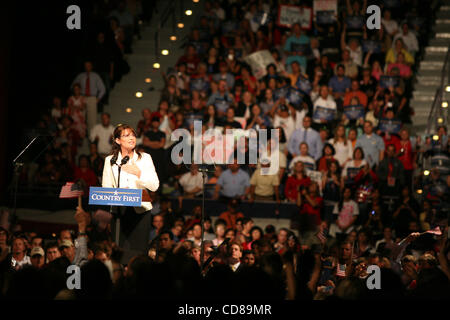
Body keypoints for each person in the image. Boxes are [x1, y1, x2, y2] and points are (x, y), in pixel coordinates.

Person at [102, 124, 160, 263]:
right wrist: (119, 194)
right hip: (119, 212)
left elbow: (155, 185)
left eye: (133, 135)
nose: (131, 138)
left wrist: (139, 173)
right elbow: (106, 187)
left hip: (140, 211)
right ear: (117, 140)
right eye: (126, 135)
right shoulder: (110, 161)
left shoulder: (145, 158)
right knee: (119, 253)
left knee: (139, 254)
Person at [71, 60, 106, 131]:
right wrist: (77, 95)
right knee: (80, 118)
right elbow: (73, 86)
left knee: (92, 120)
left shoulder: (95, 76)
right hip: (82, 98)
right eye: (86, 66)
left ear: (91, 66)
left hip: (92, 98)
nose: (87, 67)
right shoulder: (80, 76)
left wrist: (98, 99)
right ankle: (80, 135)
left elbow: (102, 89)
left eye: (89, 66)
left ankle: (91, 138)